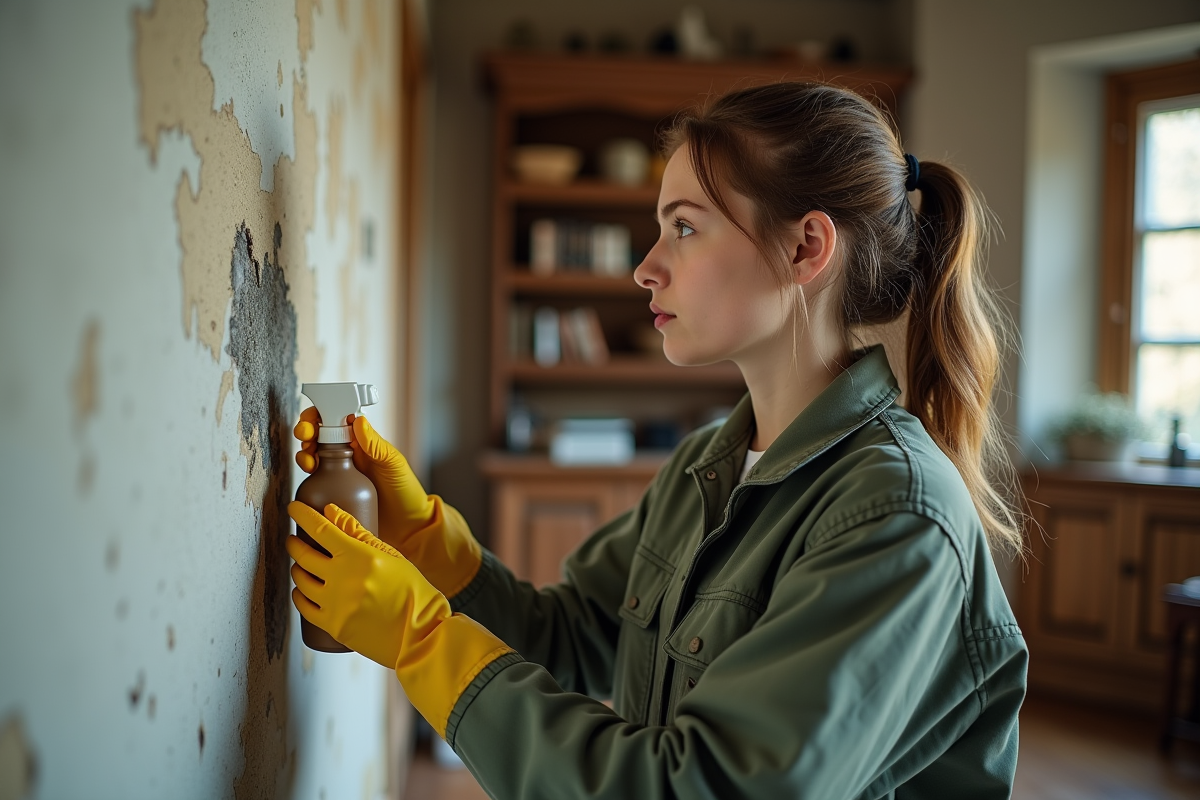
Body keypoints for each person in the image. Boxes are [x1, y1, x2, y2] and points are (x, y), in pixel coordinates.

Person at [286, 81, 1028, 799]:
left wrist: (423, 640)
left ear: (807, 248)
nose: (646, 268)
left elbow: (697, 787)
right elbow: (573, 640)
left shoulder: (897, 515)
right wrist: (426, 544)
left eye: (684, 226)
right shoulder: (705, 466)